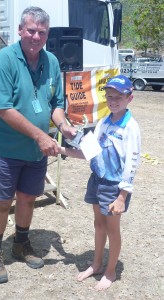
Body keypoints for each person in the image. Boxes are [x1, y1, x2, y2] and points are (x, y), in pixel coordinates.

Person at [0, 6, 76, 284]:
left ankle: (21, 243)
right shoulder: (5, 60)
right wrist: (39, 135)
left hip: (36, 152)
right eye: (31, 30)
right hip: (6, 149)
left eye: (42, 32)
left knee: (27, 198)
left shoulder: (51, 61)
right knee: (2, 203)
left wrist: (63, 126)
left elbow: (56, 104)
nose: (36, 36)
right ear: (21, 30)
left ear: (47, 34)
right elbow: (2, 107)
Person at [59, 74, 141, 291]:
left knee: (112, 229)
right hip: (96, 181)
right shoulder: (104, 122)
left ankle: (111, 271)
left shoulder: (131, 127)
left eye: (119, 97)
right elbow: (89, 153)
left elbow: (132, 164)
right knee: (98, 224)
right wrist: (60, 150)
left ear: (129, 98)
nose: (113, 101)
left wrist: (122, 196)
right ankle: (96, 264)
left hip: (114, 186)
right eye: (109, 96)